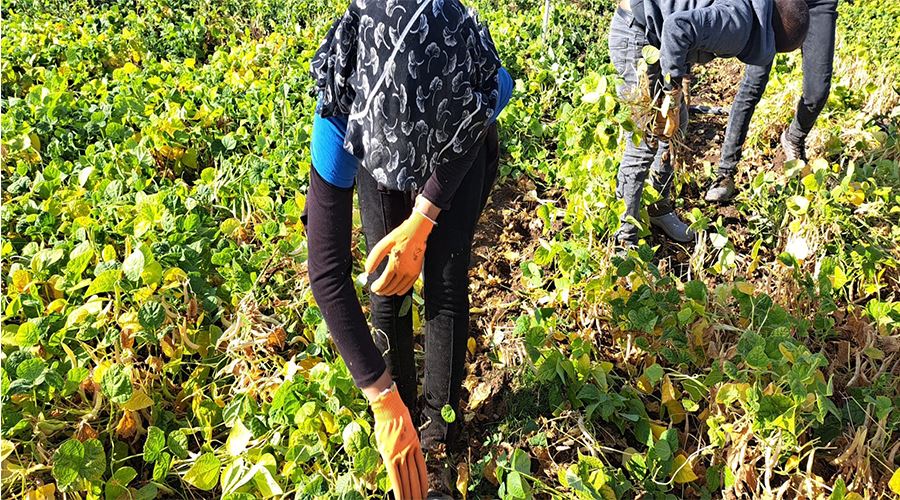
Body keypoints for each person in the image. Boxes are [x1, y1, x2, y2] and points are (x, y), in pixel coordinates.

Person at [304, 0, 513, 497]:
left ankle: (440, 433)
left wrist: (423, 220)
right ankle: (400, 414)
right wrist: (380, 397)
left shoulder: (473, 70)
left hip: (455, 156)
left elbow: (489, 100)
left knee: (444, 276)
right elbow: (328, 271)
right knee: (387, 278)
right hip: (378, 159)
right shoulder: (343, 107)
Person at [609, 0, 810, 249]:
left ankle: (658, 207)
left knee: (677, 127)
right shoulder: (739, 24)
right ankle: (624, 237)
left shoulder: (747, 12)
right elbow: (677, 26)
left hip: (652, 29)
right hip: (637, 33)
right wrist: (671, 95)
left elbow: (688, 23)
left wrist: (680, 70)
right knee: (647, 139)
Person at [706, 0, 839, 202]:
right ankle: (725, 171)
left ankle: (794, 137)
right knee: (754, 83)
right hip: (775, 3)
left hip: (818, 3)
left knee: (817, 92)